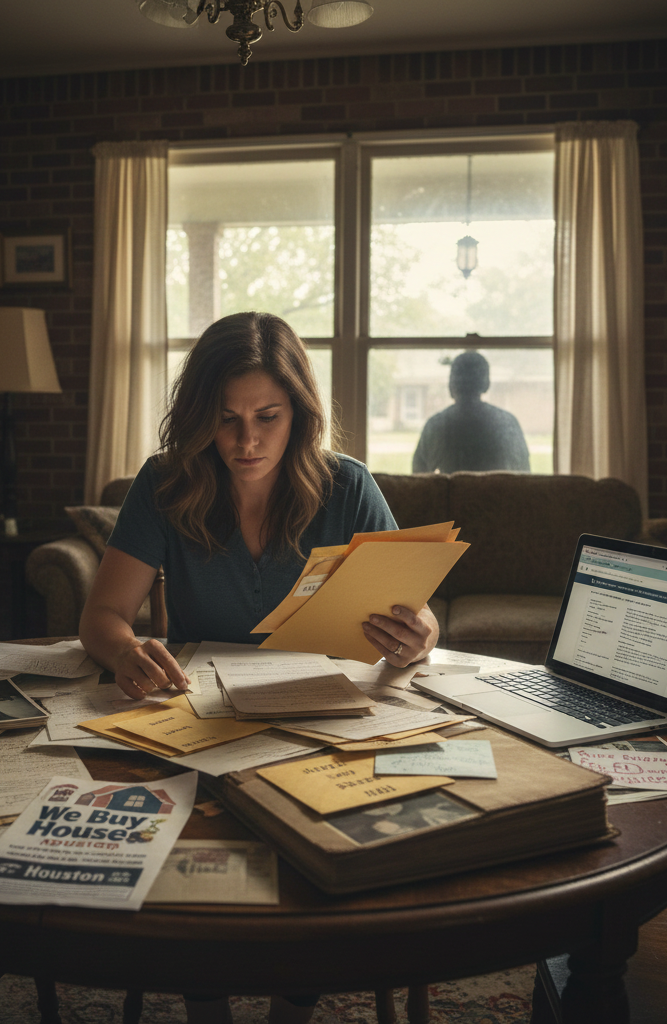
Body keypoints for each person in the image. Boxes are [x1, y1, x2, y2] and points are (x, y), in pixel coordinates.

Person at [79, 310, 439, 1024]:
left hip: (320, 721)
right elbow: (100, 618)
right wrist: (126, 650)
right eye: (226, 418)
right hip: (199, 717)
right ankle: (205, 1007)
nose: (246, 441)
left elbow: (418, 613)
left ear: (299, 413)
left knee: (320, 851)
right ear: (198, 418)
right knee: (192, 860)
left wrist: (420, 632)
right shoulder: (165, 483)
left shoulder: (349, 487)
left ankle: (292, 1008)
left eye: (267, 417)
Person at [411, 350, 530, 474]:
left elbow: (418, 480)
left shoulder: (435, 426)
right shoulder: (507, 423)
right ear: (486, 384)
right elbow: (525, 477)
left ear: (452, 384)